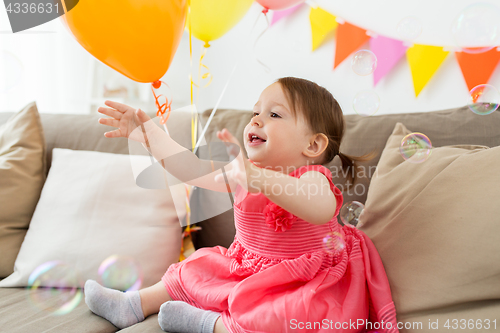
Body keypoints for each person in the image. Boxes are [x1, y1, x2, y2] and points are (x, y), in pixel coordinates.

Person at [85, 77, 398, 333]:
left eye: (274, 114)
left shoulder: (312, 178)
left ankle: (213, 325)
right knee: (193, 268)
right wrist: (148, 134)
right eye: (255, 112)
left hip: (305, 282)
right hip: (248, 268)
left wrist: (257, 178)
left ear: (313, 145)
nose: (257, 120)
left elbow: (319, 208)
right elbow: (190, 168)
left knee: (286, 315)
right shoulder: (239, 172)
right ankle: (133, 305)